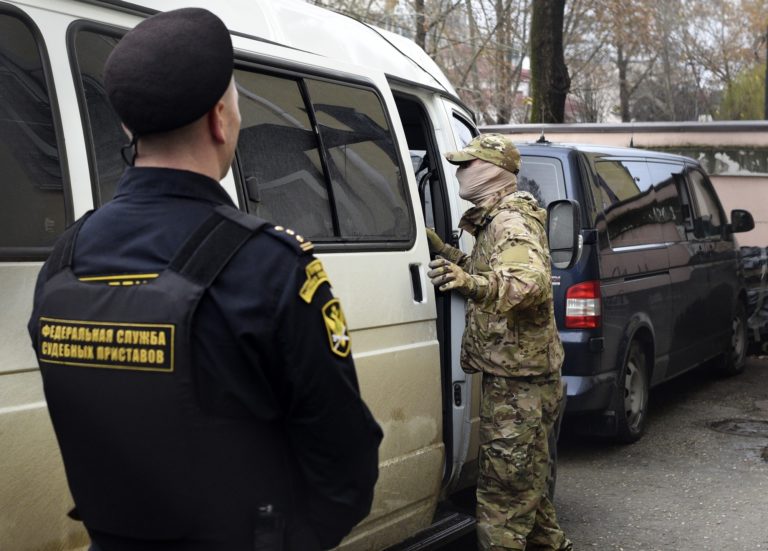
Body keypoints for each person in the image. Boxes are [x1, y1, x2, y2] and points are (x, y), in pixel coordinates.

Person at [27, 8, 382, 551]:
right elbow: (345, 471)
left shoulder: (66, 259)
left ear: (129, 128)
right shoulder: (269, 265)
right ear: (221, 119)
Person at [426, 134, 571, 551]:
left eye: (466, 164)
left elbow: (529, 284)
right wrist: (452, 257)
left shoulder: (510, 221)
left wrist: (470, 284)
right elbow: (494, 268)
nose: (459, 172)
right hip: (520, 376)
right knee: (529, 490)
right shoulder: (497, 219)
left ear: (492, 170)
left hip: (519, 385)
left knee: (502, 502)